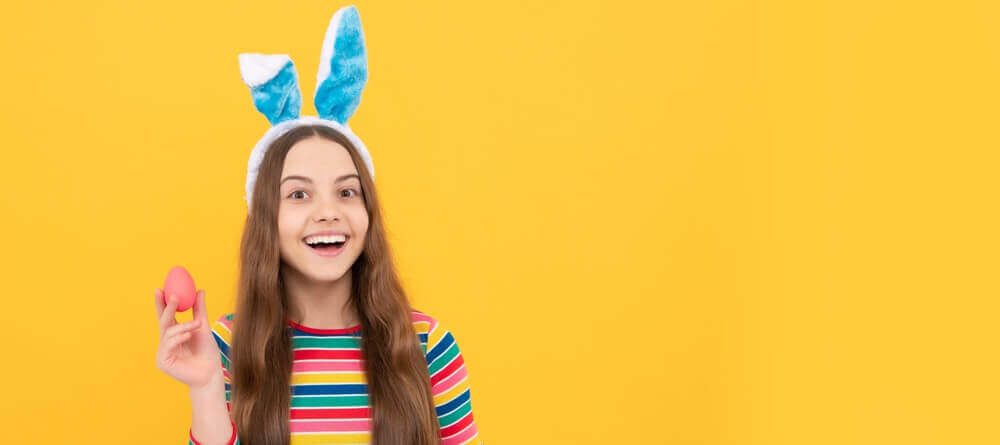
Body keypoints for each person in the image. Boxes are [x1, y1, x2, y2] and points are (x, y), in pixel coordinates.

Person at [153, 5, 482, 444]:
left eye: (346, 192)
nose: (327, 211)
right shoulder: (223, 347)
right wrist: (206, 388)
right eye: (299, 194)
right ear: (266, 218)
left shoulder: (428, 345)